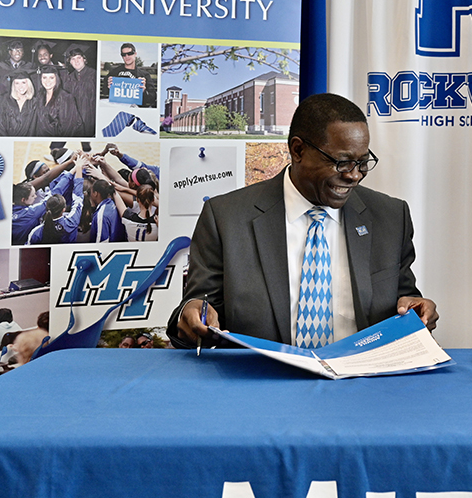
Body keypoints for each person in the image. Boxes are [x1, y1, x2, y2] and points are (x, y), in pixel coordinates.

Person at [168, 93, 438, 349]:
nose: (355, 176)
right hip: (263, 385)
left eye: (363, 162)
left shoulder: (390, 217)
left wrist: (416, 310)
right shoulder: (226, 218)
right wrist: (192, 315)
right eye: (342, 163)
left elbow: (404, 301)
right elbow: (198, 309)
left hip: (362, 387)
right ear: (298, 150)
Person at [34, 65, 81, 138]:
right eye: (44, 77)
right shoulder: (40, 96)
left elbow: (68, 128)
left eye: (51, 78)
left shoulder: (66, 98)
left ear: (57, 78)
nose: (47, 81)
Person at [106, 42, 156, 108]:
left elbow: (152, 97)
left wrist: (144, 91)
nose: (127, 57)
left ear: (135, 54)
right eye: (123, 54)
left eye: (129, 53)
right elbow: (104, 92)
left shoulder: (144, 75)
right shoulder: (114, 73)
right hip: (117, 106)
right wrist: (108, 87)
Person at [0, 72, 37, 137]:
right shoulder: (4, 101)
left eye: (23, 82)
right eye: (17, 83)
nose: (20, 86)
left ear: (29, 84)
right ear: (13, 85)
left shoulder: (35, 103)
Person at [64, 43, 97, 136]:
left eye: (79, 58)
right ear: (70, 62)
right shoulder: (69, 78)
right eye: (73, 59)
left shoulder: (94, 75)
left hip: (90, 116)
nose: (76, 61)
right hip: (74, 117)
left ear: (84, 59)